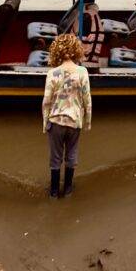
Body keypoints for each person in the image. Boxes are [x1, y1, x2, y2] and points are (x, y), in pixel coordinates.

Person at [42, 33, 91, 198]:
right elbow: (87, 100)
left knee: (55, 158)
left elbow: (46, 101)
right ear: (77, 50)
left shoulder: (52, 73)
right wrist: (88, 121)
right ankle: (68, 189)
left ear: (56, 51)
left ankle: (54, 192)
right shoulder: (82, 71)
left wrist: (45, 123)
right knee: (72, 154)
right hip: (74, 121)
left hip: (56, 121)